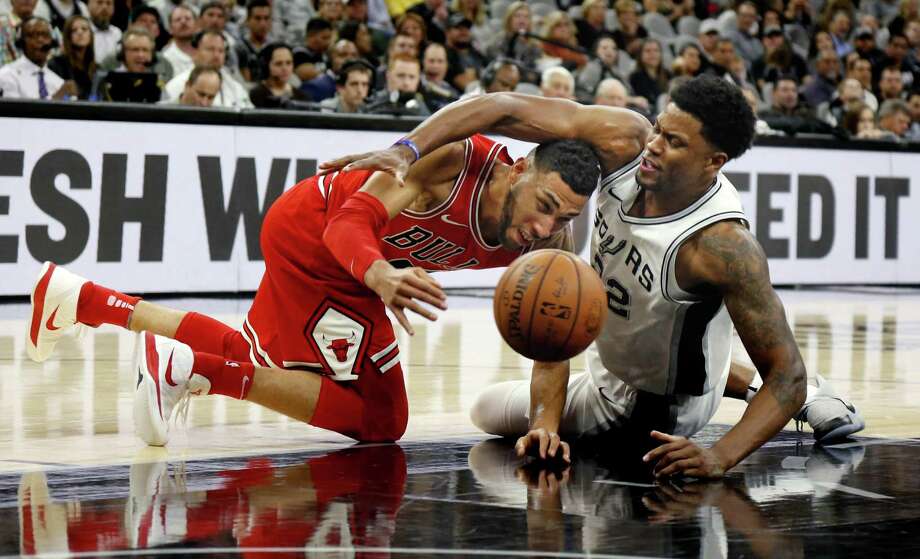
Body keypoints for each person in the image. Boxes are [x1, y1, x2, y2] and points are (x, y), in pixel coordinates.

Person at [319, 75, 865, 478]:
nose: (655, 144)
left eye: (675, 143)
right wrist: (406, 148)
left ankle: (809, 397)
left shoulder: (722, 246)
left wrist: (720, 456)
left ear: (713, 162)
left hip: (661, 405)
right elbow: (498, 107)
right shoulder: (626, 141)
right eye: (661, 128)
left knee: (523, 413)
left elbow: (785, 373)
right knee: (501, 395)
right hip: (615, 357)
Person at [27, 134, 602, 447]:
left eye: (563, 217)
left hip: (352, 263)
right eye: (544, 206)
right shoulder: (455, 163)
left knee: (258, 353)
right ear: (520, 168)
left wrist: (545, 423)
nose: (545, 227)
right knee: (382, 421)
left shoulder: (549, 240)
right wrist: (380, 276)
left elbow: (553, 337)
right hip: (321, 236)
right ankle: (189, 372)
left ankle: (81, 298)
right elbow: (347, 225)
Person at [163, 30, 253, 108]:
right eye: (210, 49)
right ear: (195, 51)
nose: (216, 55)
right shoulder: (176, 84)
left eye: (221, 51)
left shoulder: (236, 88)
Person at [0, 16, 77, 99]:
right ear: (21, 42)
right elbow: (11, 110)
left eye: (45, 35)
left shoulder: (58, 82)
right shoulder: (7, 74)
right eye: (33, 35)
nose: (40, 40)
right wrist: (55, 99)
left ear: (52, 42)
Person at [248, 42, 312, 108]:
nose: (285, 68)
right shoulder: (255, 95)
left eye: (289, 63)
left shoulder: (302, 97)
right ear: (266, 66)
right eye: (278, 64)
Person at [235, 0, 274, 83]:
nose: (263, 23)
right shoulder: (239, 48)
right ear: (247, 21)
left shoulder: (275, 48)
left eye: (266, 18)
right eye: (257, 18)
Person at [160, 5, 197, 77]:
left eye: (188, 19)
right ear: (170, 29)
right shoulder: (165, 58)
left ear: (196, 25)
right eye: (178, 19)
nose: (183, 22)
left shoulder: (207, 51)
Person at [86, 0, 119, 64]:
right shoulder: (82, 32)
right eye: (99, 2)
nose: (104, 7)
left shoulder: (117, 33)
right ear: (88, 6)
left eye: (109, 3)